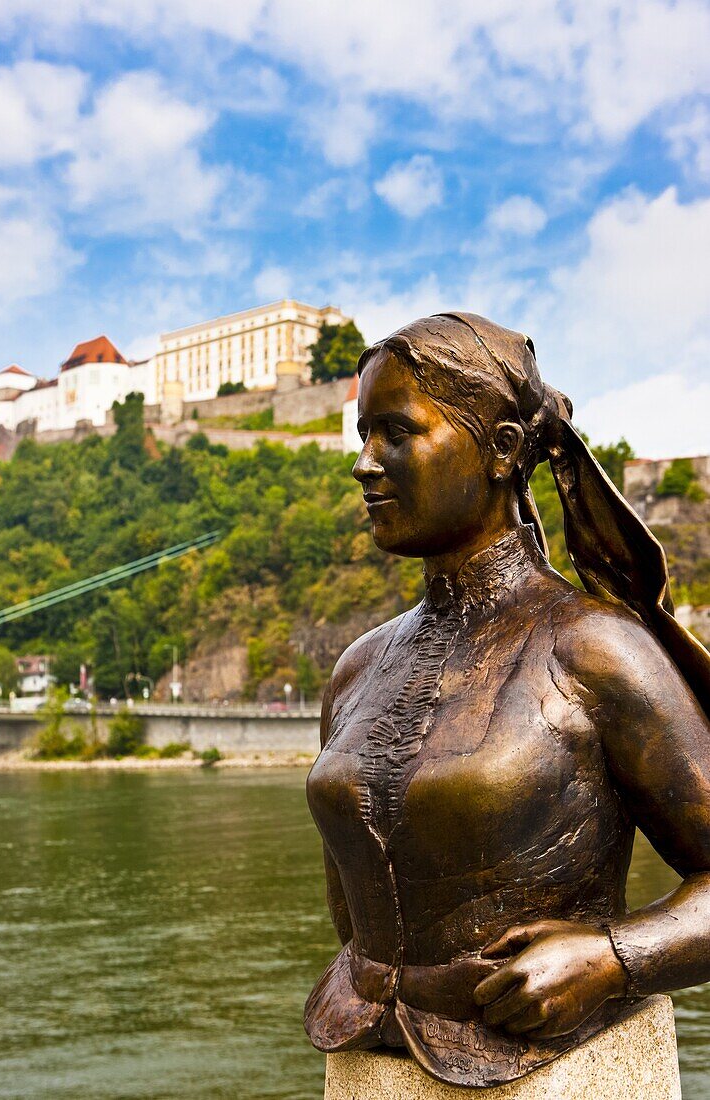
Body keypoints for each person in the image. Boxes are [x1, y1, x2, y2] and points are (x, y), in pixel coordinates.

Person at [304, 312, 710, 1088]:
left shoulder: (593, 647)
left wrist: (612, 959)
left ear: (501, 450)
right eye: (362, 434)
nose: (363, 464)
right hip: (363, 1052)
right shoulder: (357, 667)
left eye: (395, 431)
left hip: (545, 1064)